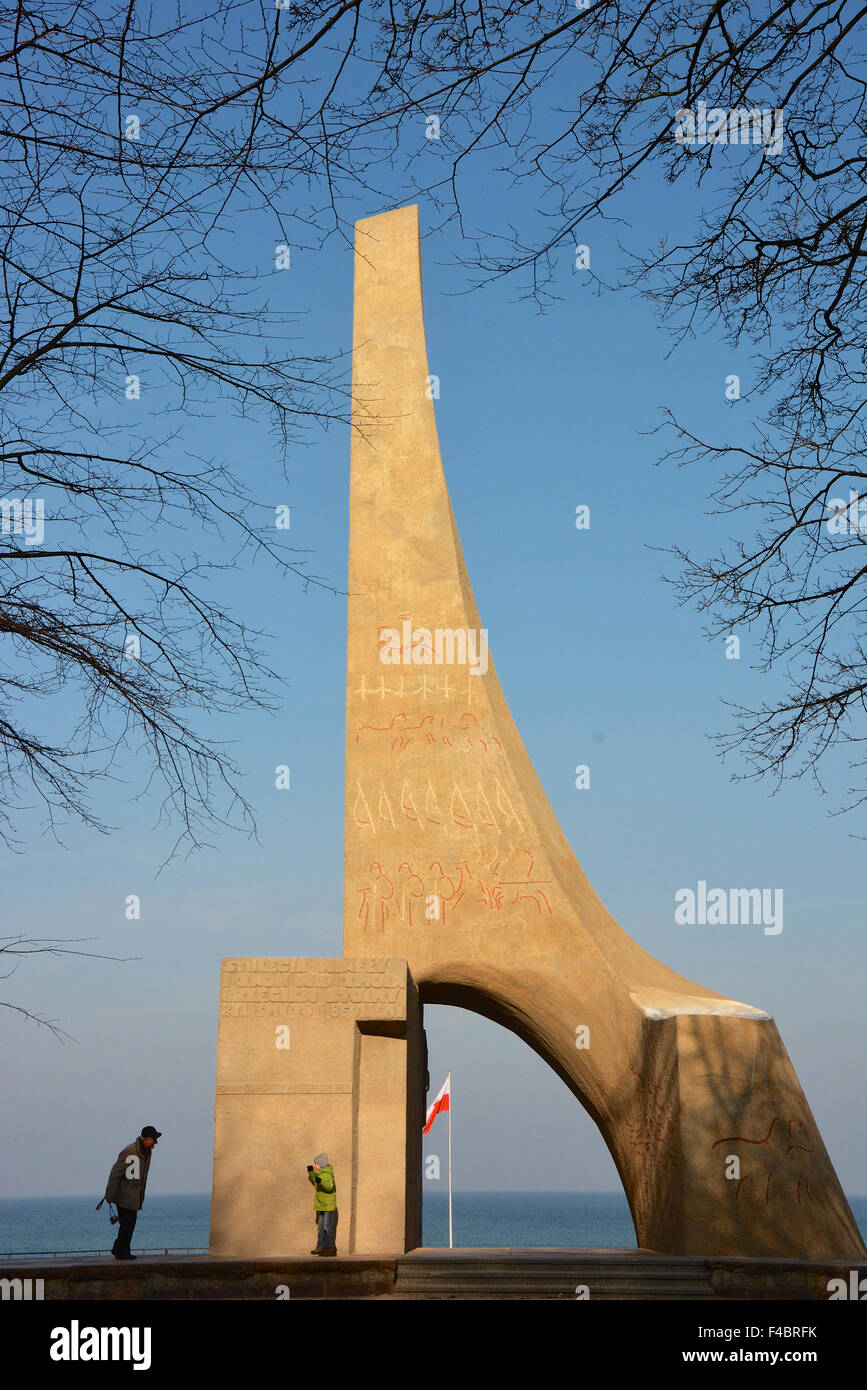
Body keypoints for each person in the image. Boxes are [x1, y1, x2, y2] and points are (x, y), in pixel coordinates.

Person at [104, 1125, 161, 1260]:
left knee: (129, 1224)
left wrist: (141, 1197)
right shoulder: (129, 1151)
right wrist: (109, 1195)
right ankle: (122, 1252)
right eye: (154, 1140)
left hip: (134, 1197)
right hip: (124, 1196)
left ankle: (119, 1249)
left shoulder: (147, 1153)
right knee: (127, 1225)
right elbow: (115, 1174)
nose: (155, 1143)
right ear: (146, 1139)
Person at [307, 1152, 337, 1256]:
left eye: (316, 1164)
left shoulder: (327, 1174)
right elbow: (315, 1182)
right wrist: (311, 1173)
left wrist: (320, 1182)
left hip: (328, 1205)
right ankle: (320, 1246)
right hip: (321, 1205)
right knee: (320, 1227)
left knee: (327, 1226)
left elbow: (329, 1187)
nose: (315, 1165)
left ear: (321, 1165)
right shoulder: (319, 1174)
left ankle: (330, 1247)